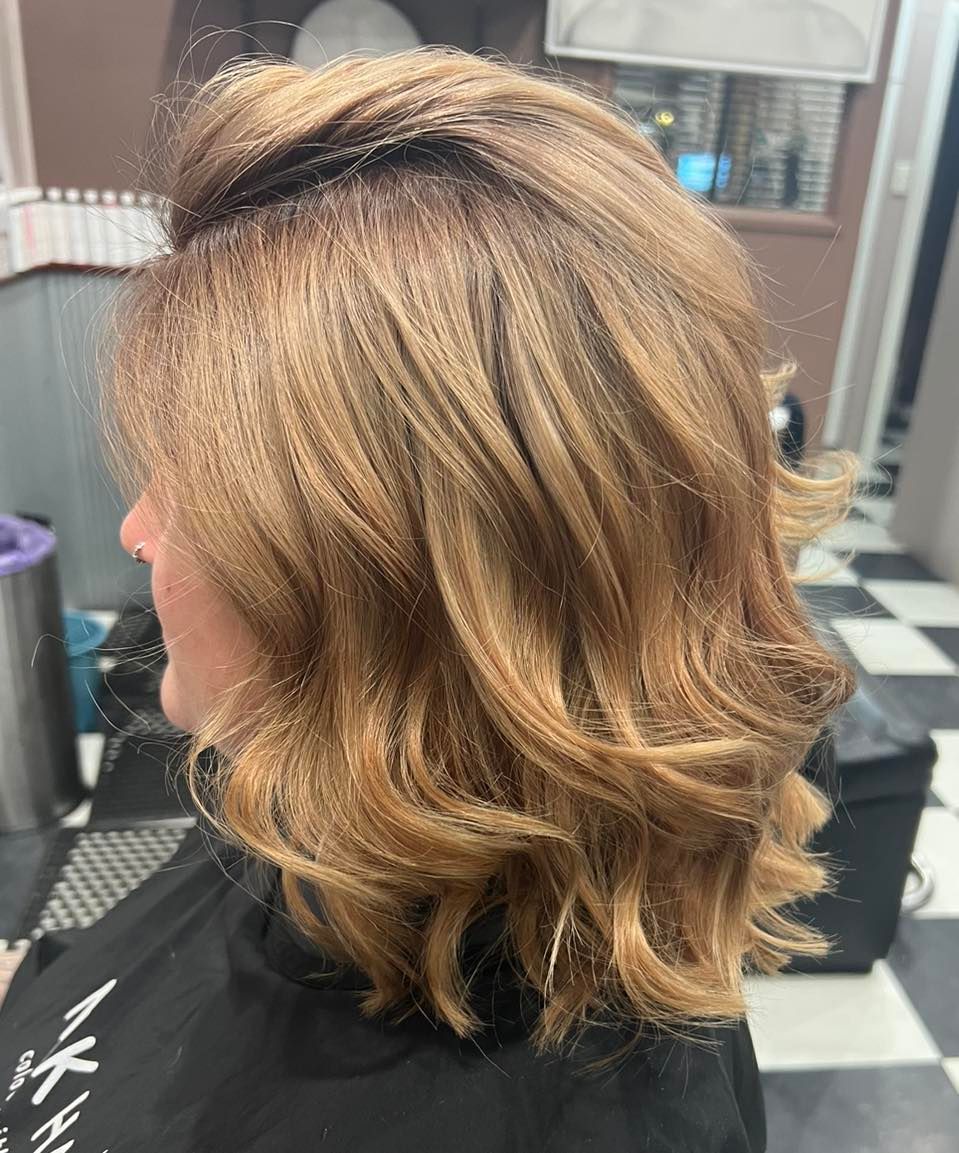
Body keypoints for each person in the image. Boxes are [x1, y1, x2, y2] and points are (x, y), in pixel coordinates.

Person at [0, 48, 854, 1151]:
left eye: (187, 487)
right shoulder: (324, 810)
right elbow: (122, 998)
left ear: (384, 599)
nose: (136, 529)